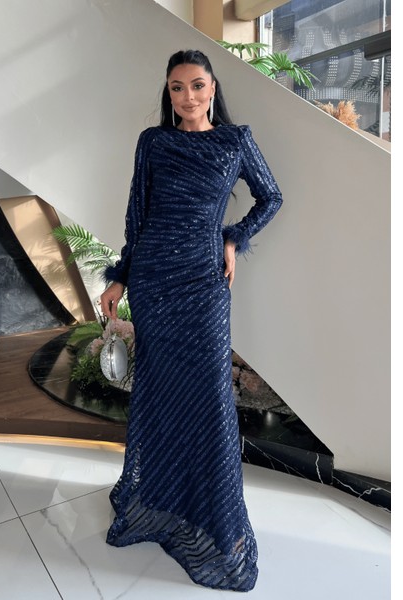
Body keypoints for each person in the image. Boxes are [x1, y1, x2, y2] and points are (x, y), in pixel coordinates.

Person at [100, 49, 283, 592]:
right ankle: (158, 499)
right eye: (177, 87)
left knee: (209, 399)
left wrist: (232, 237)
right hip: (154, 281)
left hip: (203, 283)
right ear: (169, 91)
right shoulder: (153, 142)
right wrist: (120, 277)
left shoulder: (236, 140)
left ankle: (215, 519)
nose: (187, 96)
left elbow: (271, 197)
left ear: (212, 87)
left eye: (197, 85)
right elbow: (137, 216)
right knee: (159, 393)